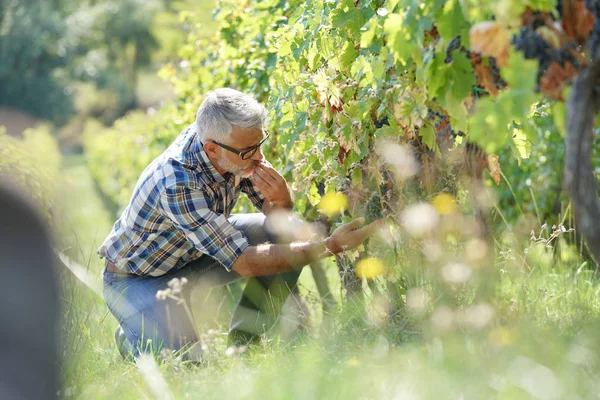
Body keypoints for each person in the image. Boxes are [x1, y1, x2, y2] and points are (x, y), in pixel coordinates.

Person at [98, 88, 379, 359]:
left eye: (259, 145)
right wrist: (328, 246)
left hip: (196, 255)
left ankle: (244, 344)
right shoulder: (177, 180)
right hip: (137, 278)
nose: (257, 156)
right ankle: (131, 336)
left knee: (290, 229)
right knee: (185, 363)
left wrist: (282, 200)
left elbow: (276, 217)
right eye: (248, 151)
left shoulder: (235, 148)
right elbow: (243, 261)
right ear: (211, 149)